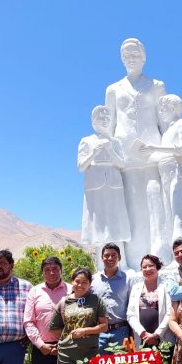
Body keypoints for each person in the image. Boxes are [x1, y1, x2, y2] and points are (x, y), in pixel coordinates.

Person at [105, 38, 168, 266]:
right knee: (131, 207)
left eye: (135, 54)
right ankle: (133, 263)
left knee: (155, 202)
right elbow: (108, 125)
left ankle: (159, 257)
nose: (131, 58)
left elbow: (165, 121)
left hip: (152, 153)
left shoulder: (157, 85)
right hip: (125, 157)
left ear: (144, 57)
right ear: (122, 59)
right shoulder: (113, 89)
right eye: (127, 55)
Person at [77, 105, 131, 267]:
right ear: (93, 121)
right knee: (98, 224)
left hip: (114, 185)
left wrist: (110, 150)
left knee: (117, 222)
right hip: (95, 186)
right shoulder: (86, 141)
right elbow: (80, 166)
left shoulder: (115, 142)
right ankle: (101, 266)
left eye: (107, 117)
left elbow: (121, 163)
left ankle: (122, 264)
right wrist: (93, 152)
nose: (105, 119)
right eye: (101, 117)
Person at [140, 94, 182, 243]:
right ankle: (172, 251)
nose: (161, 112)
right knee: (168, 215)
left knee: (177, 215)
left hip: (175, 171)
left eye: (164, 108)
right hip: (164, 172)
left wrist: (155, 147)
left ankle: (180, 250)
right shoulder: (167, 131)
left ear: (174, 108)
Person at [90, 243, 133, 354]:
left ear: (119, 257)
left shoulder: (127, 280)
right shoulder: (93, 280)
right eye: (107, 255)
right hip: (99, 332)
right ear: (102, 258)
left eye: (114, 255)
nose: (110, 258)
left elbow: (132, 305)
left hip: (121, 331)